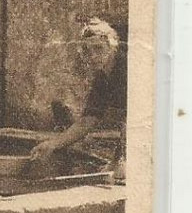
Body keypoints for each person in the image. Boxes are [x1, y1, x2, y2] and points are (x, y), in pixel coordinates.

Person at [30, 18, 127, 177]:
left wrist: (120, 160)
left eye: (98, 48)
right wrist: (53, 144)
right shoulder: (102, 77)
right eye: (88, 51)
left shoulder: (126, 66)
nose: (93, 56)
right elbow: (88, 119)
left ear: (112, 46)